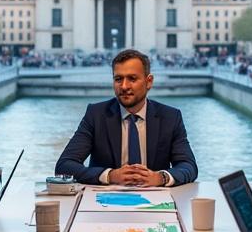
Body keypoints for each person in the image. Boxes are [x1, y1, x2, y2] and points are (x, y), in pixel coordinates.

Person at [55, 48, 198, 186]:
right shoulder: (96, 114)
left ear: (149, 82)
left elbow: (188, 166)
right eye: (118, 79)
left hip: (154, 201)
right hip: (105, 202)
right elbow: (64, 166)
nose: (124, 86)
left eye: (132, 79)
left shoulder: (170, 117)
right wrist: (109, 176)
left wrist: (161, 178)